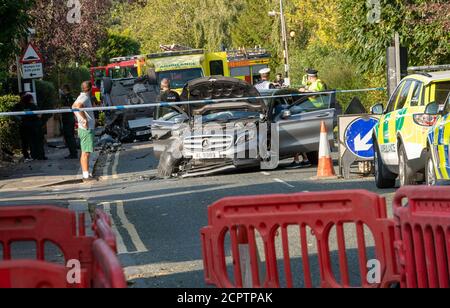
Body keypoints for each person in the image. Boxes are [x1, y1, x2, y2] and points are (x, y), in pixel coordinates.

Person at [289, 69, 327, 169]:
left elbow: (314, 94)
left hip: (315, 110)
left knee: (299, 134)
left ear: (310, 77)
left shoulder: (318, 83)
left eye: (308, 77)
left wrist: (304, 91)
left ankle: (298, 159)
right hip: (312, 110)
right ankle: (303, 159)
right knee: (300, 134)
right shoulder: (312, 83)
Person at [73, 81, 96, 183]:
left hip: (84, 128)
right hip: (86, 129)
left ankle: (86, 174)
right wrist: (84, 119)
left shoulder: (81, 96)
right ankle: (86, 176)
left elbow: (73, 106)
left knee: (85, 152)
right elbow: (77, 106)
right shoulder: (85, 97)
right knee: (85, 153)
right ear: (90, 88)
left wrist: (79, 118)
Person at [14, 93, 46, 161]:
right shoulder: (33, 106)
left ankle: (34, 156)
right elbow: (39, 115)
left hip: (27, 127)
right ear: (31, 99)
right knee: (39, 141)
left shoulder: (24, 107)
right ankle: (41, 156)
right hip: (36, 126)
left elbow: (20, 116)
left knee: (32, 142)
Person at [60, 85, 78, 159]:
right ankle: (72, 152)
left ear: (65, 89)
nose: (62, 90)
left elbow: (71, 107)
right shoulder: (65, 97)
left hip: (69, 119)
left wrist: (61, 108)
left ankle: (73, 153)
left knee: (69, 136)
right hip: (67, 118)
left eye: (62, 89)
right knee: (68, 136)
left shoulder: (69, 97)